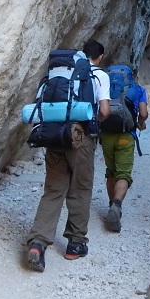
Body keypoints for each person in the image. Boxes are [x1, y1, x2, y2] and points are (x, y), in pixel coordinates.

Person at [26, 39, 110, 271]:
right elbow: (104, 110)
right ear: (100, 57)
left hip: (55, 134)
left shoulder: (57, 74)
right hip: (81, 136)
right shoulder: (99, 76)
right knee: (80, 188)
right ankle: (75, 243)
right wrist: (93, 122)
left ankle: (38, 243)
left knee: (53, 190)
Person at [101, 69, 148, 232]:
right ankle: (116, 205)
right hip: (125, 136)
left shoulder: (105, 87)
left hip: (106, 136)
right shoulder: (138, 89)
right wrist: (141, 123)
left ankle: (111, 205)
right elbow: (143, 113)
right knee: (124, 173)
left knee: (111, 172)